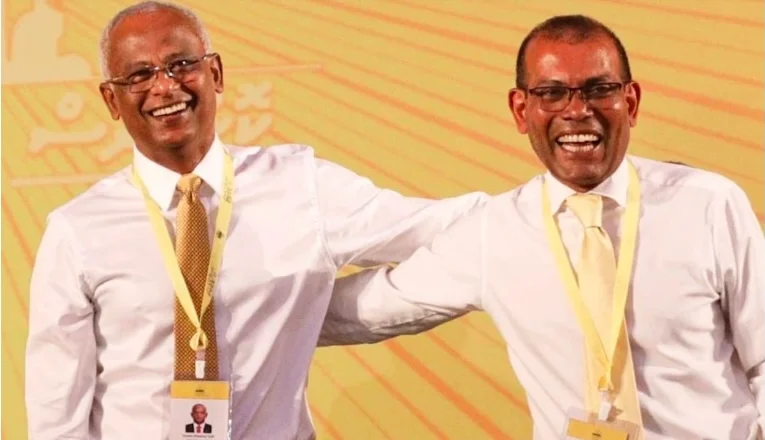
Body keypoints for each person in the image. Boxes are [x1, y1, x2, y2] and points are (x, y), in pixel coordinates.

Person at [23, 2, 487, 439]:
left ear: (215, 73)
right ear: (111, 99)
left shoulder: (299, 185)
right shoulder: (79, 230)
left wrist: (526, 211)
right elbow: (56, 409)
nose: (165, 86)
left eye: (181, 64)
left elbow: (431, 226)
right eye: (139, 75)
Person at [321, 14, 764, 440]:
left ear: (630, 102)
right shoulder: (493, 232)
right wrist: (277, 302)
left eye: (599, 89)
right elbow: (371, 308)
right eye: (551, 93)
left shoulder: (708, 204)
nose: (578, 110)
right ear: (521, 110)